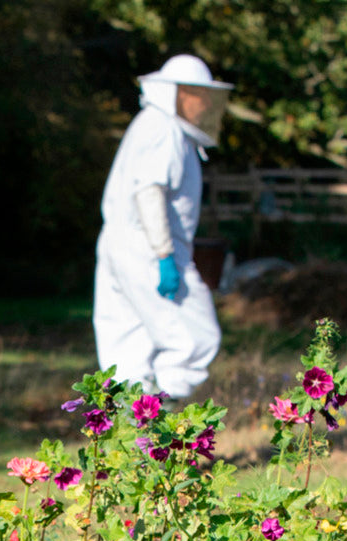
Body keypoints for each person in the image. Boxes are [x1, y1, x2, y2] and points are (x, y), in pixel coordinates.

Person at [93, 54, 231, 399]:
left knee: (128, 344)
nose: (204, 105)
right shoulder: (163, 128)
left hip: (123, 245)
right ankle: (162, 424)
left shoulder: (150, 124)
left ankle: (131, 440)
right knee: (196, 338)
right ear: (178, 94)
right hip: (150, 249)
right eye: (198, 95)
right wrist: (165, 255)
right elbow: (149, 191)